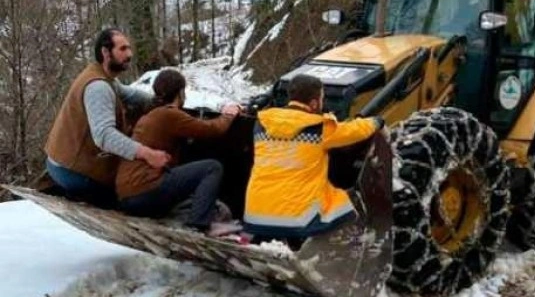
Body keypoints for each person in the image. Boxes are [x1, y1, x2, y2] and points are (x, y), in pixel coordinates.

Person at [243, 74, 383, 243]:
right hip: (298, 220)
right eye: (322, 98)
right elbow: (355, 130)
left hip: (255, 215)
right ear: (314, 103)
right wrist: (376, 121)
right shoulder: (320, 128)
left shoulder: (262, 123)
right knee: (343, 201)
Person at [44, 28, 170, 208]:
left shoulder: (103, 76)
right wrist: (147, 153)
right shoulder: (98, 87)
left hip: (62, 163)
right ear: (105, 52)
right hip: (73, 171)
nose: (130, 54)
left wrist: (159, 102)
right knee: (135, 195)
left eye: (129, 48)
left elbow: (129, 94)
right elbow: (104, 136)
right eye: (123, 49)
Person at [115, 69, 242, 236]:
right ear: (180, 92)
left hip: (127, 195)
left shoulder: (150, 115)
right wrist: (228, 115)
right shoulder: (169, 115)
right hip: (145, 189)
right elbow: (212, 129)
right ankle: (199, 225)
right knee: (212, 167)